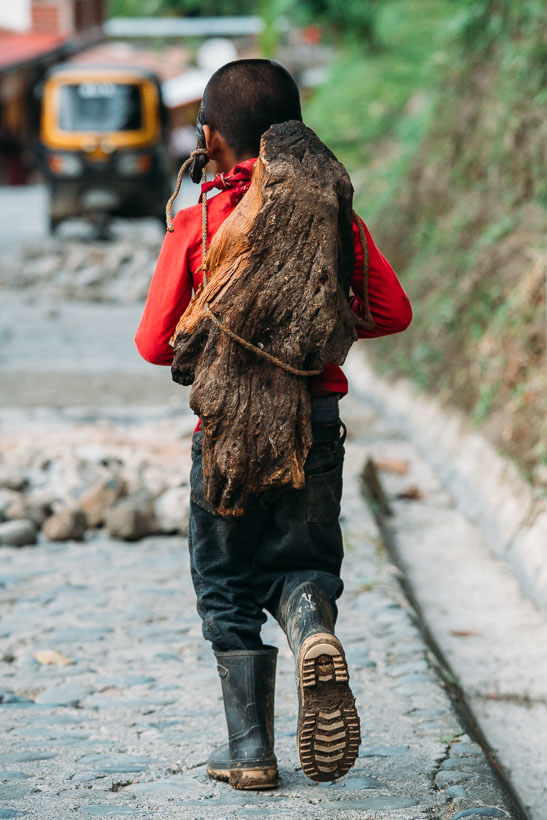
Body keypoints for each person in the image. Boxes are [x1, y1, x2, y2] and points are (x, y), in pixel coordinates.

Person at [135, 59, 412, 791]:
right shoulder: (332, 217)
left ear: (209, 138)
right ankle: (310, 623)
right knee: (303, 559)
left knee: (225, 581)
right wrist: (308, 329)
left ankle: (249, 751)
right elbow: (391, 313)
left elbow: (153, 342)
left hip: (223, 437)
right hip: (313, 424)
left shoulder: (199, 222)